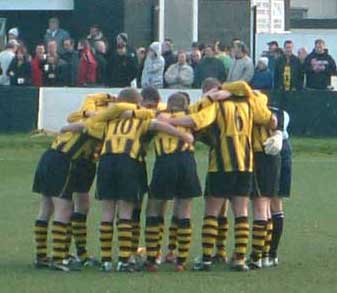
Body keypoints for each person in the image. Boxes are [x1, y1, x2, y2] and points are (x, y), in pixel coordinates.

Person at [161, 81, 276, 272]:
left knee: (212, 209)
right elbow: (268, 116)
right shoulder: (249, 104)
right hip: (245, 164)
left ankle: (206, 258)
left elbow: (195, 120)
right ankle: (239, 259)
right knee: (241, 211)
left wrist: (169, 121)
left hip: (221, 164)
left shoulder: (218, 105)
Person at [74, 88, 193, 273]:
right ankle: (124, 259)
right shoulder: (141, 118)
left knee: (107, 212)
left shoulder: (109, 119)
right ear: (138, 103)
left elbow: (84, 125)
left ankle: (106, 260)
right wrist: (183, 135)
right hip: (128, 161)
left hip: (106, 161)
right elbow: (159, 125)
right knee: (125, 212)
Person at [144, 93, 201, 273]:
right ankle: (180, 260)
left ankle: (152, 259)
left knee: (154, 208)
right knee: (185, 210)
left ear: (168, 104)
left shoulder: (160, 116)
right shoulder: (190, 120)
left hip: (165, 162)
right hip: (187, 162)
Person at [269, 110, 292, 267]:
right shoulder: (281, 112)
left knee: (264, 203)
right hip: (284, 147)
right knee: (273, 204)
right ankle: (270, 254)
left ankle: (266, 254)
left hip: (272, 150)